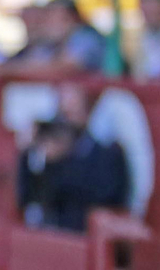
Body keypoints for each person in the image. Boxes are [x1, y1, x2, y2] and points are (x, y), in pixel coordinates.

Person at [18, 83, 129, 233]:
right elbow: (26, 196)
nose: (66, 120)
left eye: (72, 112)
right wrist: (27, 155)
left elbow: (101, 198)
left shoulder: (107, 153)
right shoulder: (54, 152)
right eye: (63, 113)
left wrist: (58, 163)